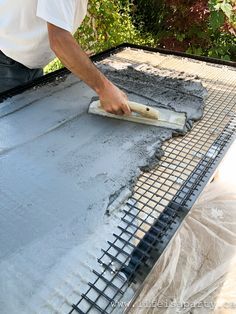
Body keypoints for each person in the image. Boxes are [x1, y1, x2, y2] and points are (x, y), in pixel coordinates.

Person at [0, 0, 131, 115]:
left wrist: (76, 55)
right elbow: (59, 41)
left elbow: (60, 24)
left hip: (27, 63)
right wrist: (104, 89)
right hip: (5, 61)